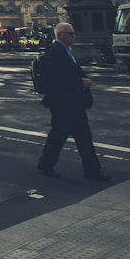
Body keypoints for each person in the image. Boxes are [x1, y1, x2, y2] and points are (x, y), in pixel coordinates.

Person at [36, 22, 111, 181]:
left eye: (74, 33)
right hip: (63, 101)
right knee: (65, 135)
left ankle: (90, 170)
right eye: (71, 34)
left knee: (75, 136)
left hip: (71, 101)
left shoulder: (65, 51)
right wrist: (80, 82)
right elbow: (56, 78)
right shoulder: (55, 52)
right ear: (60, 35)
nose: (74, 36)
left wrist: (82, 80)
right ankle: (89, 170)